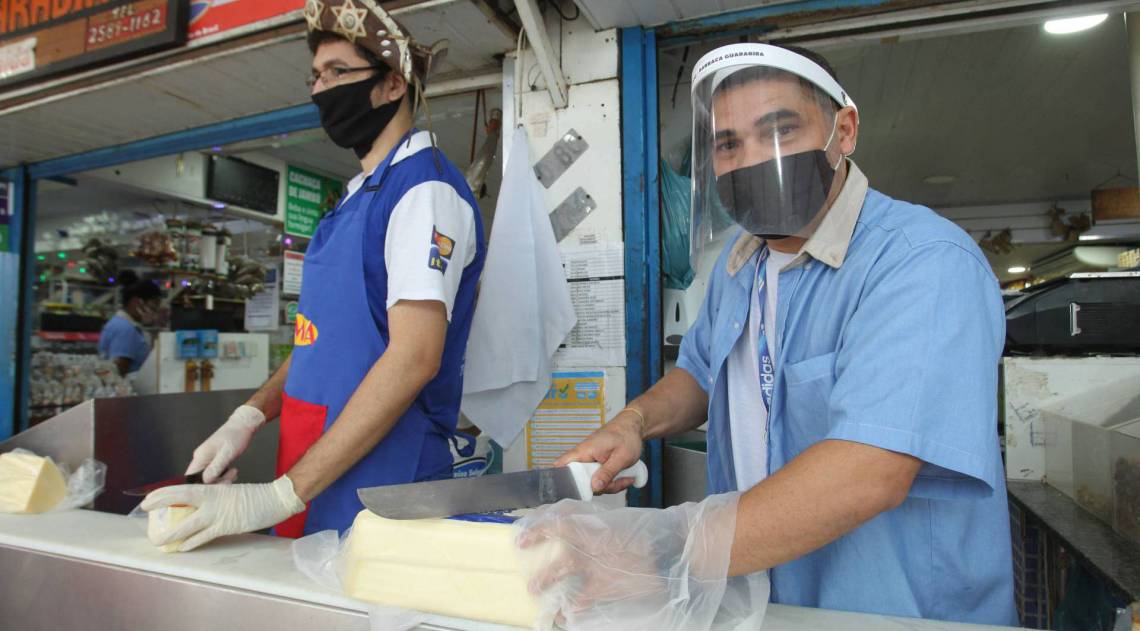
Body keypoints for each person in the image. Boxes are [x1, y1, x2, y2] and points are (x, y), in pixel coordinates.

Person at [518, 43, 1017, 628]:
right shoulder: (742, 259)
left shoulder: (923, 263)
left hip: (897, 613)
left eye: (779, 131)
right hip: (761, 603)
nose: (753, 158)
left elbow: (868, 470)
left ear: (845, 130)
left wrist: (659, 554)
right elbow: (700, 374)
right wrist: (634, 423)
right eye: (729, 144)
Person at [142, 1, 485, 551]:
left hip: (382, 482)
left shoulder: (424, 192)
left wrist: (277, 496)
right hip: (313, 466)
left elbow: (415, 357)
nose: (319, 89)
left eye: (337, 73)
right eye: (315, 76)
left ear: (393, 84)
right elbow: (316, 341)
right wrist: (248, 415)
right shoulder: (353, 199)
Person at [98, 278, 160, 377]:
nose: (155, 312)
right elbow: (118, 372)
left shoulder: (118, 323)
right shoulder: (126, 330)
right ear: (136, 302)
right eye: (153, 306)